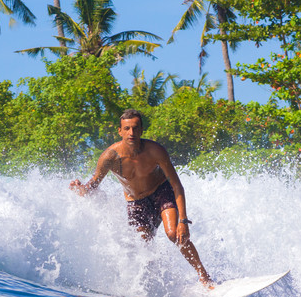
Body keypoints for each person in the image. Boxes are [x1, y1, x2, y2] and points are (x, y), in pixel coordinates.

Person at [70, 109, 213, 286]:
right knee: (142, 248)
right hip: (136, 202)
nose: (131, 133)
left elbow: (177, 185)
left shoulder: (155, 151)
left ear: (142, 130)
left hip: (161, 192)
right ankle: (157, 287)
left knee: (173, 234)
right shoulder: (109, 157)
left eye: (135, 128)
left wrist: (183, 221)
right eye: (127, 128)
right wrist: (80, 189)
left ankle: (204, 276)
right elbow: (92, 186)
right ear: (120, 131)